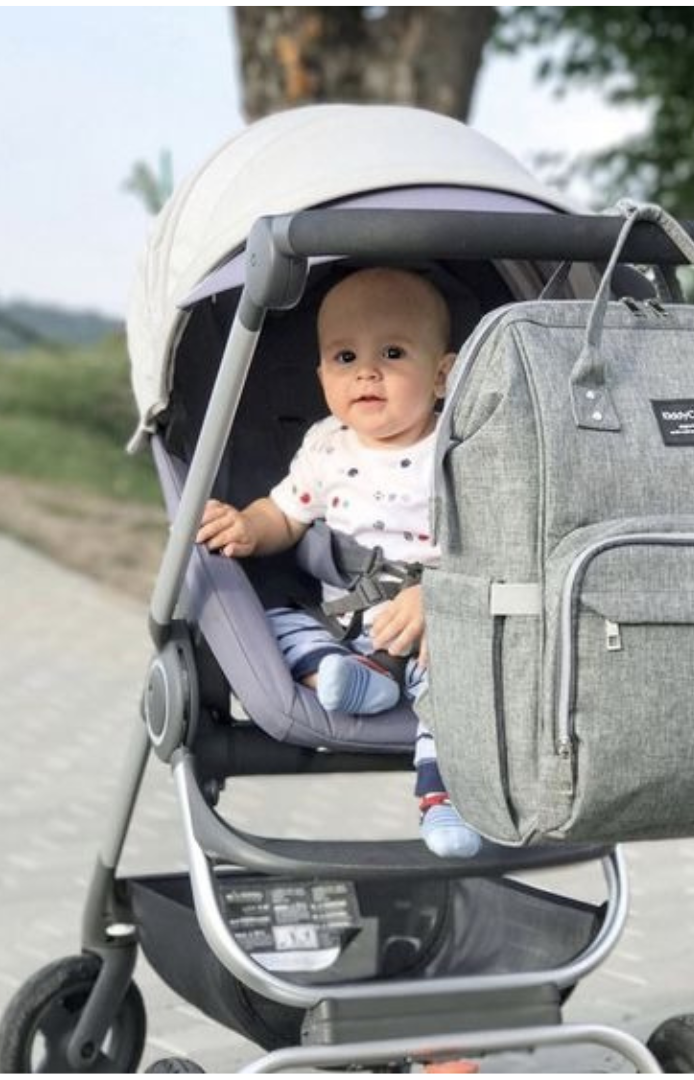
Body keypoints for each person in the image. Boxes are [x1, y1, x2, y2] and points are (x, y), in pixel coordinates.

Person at [196, 267, 482, 859]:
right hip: (346, 628)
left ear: (442, 375)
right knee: (272, 625)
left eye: (393, 353)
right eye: (345, 357)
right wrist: (248, 527)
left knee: (463, 693)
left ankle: (447, 799)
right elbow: (285, 513)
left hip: (441, 629)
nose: (366, 373)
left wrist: (442, 594)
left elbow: (495, 541)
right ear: (323, 376)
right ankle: (351, 679)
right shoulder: (326, 444)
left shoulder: (460, 449)